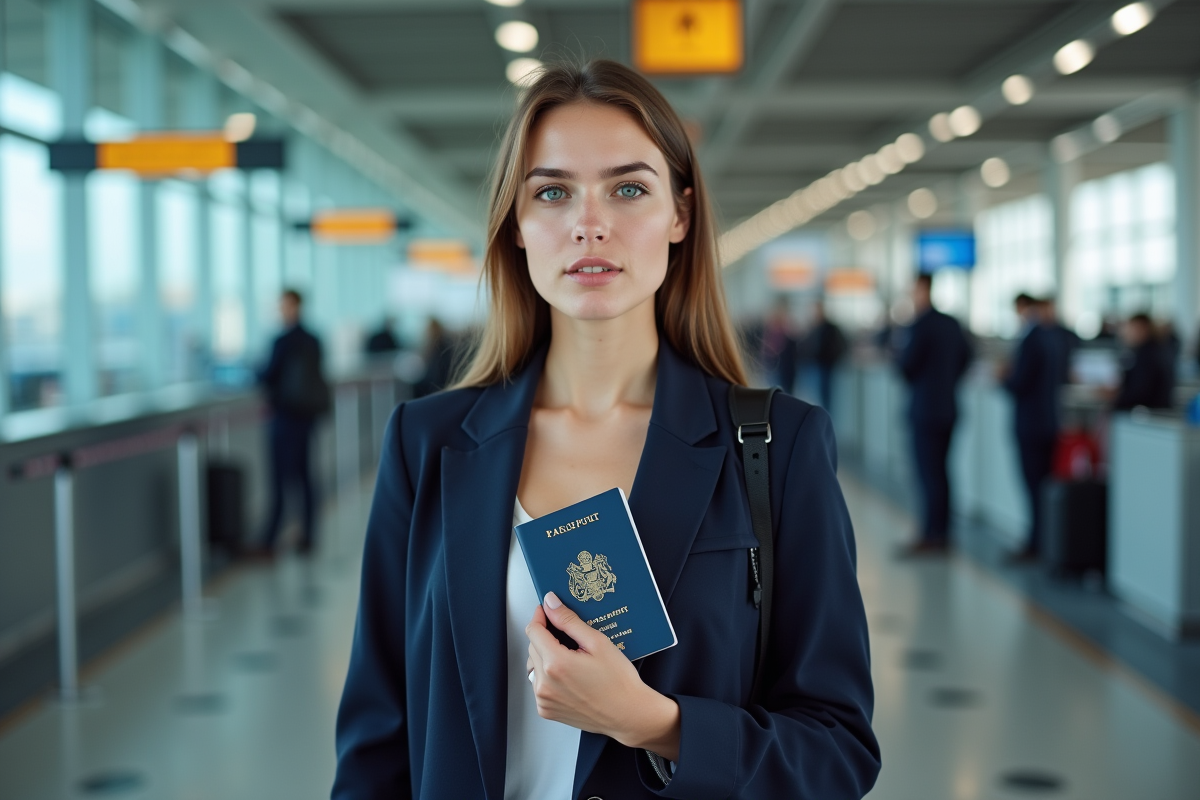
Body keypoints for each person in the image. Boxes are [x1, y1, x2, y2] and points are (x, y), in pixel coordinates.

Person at [332, 60, 879, 799]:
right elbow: (377, 739)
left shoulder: (777, 446)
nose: (589, 223)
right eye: (552, 192)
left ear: (680, 215)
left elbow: (837, 751)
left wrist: (656, 723)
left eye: (628, 189)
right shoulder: (428, 443)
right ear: (517, 225)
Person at [896, 273, 972, 556]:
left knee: (927, 474)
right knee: (942, 472)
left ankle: (930, 534)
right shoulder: (951, 323)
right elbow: (966, 357)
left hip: (925, 410)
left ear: (923, 289)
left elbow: (906, 365)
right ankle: (943, 532)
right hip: (948, 408)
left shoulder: (919, 325)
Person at [257, 289, 329, 557]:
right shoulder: (314, 339)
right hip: (306, 417)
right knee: (305, 476)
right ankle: (309, 534)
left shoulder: (283, 341)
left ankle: (270, 538)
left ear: (293, 306)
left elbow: (267, 375)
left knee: (279, 479)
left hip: (285, 417)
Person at [1002, 293, 1064, 561]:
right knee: (1041, 486)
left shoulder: (1031, 340)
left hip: (1031, 424)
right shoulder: (1052, 337)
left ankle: (1036, 543)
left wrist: (1004, 378)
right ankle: (1043, 541)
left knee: (1033, 487)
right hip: (1048, 421)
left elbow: (1020, 381)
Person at [1113, 313, 1174, 411]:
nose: (1126, 333)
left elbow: (1139, 393)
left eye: (1131, 329)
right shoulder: (1155, 350)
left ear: (1143, 329)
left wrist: (1114, 400)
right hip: (1152, 412)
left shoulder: (1147, 356)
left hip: (1148, 415)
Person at [807, 299, 847, 411]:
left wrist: (833, 358)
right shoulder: (813, 327)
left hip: (826, 365)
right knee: (815, 394)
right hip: (814, 364)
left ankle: (826, 415)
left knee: (826, 395)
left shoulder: (829, 327)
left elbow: (841, 345)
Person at [758, 296, 798, 393]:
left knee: (782, 389)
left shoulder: (787, 329)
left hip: (782, 364)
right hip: (773, 363)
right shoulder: (771, 329)